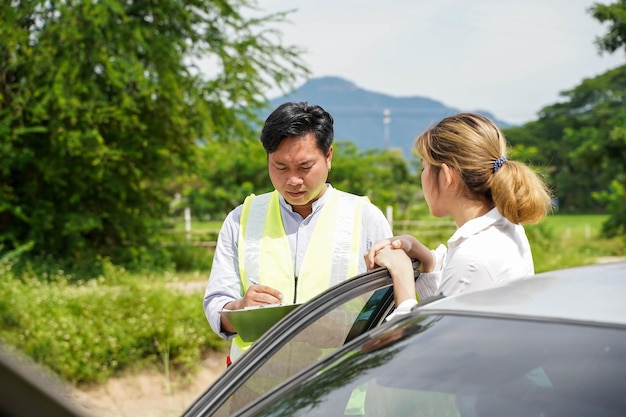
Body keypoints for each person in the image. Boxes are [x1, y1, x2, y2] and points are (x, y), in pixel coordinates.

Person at [204, 101, 393, 363]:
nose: (292, 180)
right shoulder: (241, 219)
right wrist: (239, 309)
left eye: (304, 167)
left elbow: (388, 306)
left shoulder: (365, 218)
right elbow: (217, 303)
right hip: (255, 387)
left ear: (329, 156)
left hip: (336, 384)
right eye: (280, 167)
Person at [364, 112, 552, 315]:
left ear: (446, 176)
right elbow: (454, 306)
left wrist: (402, 278)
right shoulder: (505, 228)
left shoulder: (473, 257)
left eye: (423, 168)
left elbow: (427, 342)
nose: (422, 177)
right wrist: (427, 259)